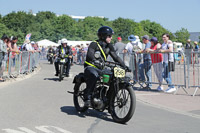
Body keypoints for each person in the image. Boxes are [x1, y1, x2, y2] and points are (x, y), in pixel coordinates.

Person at [84, 26, 128, 106]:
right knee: (94, 75)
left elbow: (116, 57)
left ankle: (108, 99)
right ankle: (87, 97)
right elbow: (90, 54)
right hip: (91, 66)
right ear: (103, 36)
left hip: (101, 67)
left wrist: (124, 66)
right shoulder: (94, 44)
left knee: (113, 77)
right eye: (109, 36)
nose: (111, 38)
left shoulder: (109, 46)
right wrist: (94, 60)